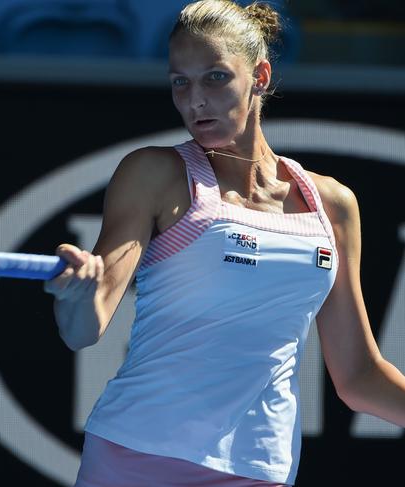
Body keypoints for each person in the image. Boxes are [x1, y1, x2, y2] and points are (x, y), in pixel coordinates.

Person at [44, 1, 405, 486]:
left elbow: (359, 376)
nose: (195, 101)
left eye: (214, 77)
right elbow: (84, 328)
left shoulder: (332, 204)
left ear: (259, 75)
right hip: (136, 456)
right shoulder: (154, 173)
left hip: (259, 466)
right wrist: (75, 299)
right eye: (180, 82)